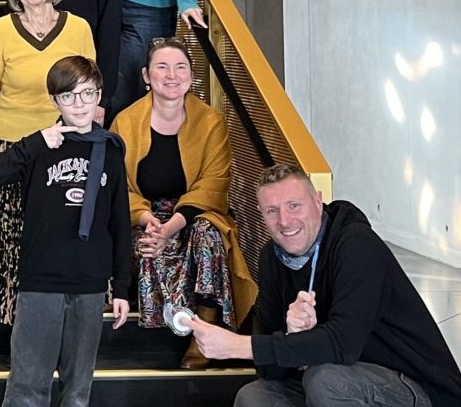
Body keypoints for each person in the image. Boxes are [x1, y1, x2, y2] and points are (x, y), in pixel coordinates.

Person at [188, 163, 461, 407]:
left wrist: (239, 346)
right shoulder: (271, 258)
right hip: (343, 376)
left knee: (326, 381)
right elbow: (270, 372)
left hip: (412, 386)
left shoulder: (356, 245)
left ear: (318, 202)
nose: (284, 221)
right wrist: (291, 333)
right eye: (272, 211)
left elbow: (343, 344)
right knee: (255, 396)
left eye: (294, 206)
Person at [0, 55, 131, 407]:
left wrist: (122, 287)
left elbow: (119, 222)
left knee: (77, 390)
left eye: (87, 93)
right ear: (54, 101)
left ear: (99, 96)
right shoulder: (40, 146)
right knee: (28, 386)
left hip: (90, 282)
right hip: (41, 280)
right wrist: (35, 142)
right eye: (68, 95)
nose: (78, 103)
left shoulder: (110, 150)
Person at [109, 36, 256, 369]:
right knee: (147, 242)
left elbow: (213, 186)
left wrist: (171, 226)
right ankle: (166, 319)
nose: (171, 75)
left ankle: (204, 328)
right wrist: (149, 221)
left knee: (208, 235)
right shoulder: (125, 122)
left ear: (191, 76)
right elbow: (118, 188)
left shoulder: (211, 122)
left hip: (194, 215)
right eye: (162, 67)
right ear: (146, 75)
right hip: (143, 216)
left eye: (180, 67)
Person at [0, 0, 96, 325]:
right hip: (15, 148)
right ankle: (10, 312)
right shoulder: (1, 29)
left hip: (68, 145)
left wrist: (70, 127)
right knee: (12, 234)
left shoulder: (78, 27)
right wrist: (12, 126)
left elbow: (91, 86)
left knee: (61, 231)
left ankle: (65, 311)